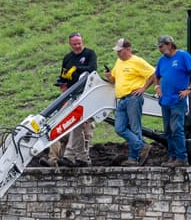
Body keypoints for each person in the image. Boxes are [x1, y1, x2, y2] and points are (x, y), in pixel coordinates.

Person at [48, 32, 98, 167]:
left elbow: (92, 69)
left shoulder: (89, 54)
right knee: (71, 127)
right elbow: (63, 75)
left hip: (86, 94)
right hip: (72, 97)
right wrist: (64, 82)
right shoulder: (67, 58)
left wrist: (77, 68)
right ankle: (71, 157)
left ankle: (77, 156)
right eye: (74, 44)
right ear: (70, 44)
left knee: (84, 128)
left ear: (83, 42)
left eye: (79, 43)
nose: (77, 46)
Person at [152, 35, 191, 167]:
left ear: (169, 45)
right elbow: (156, 75)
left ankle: (182, 158)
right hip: (165, 100)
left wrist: (189, 88)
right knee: (168, 130)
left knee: (176, 128)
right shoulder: (162, 60)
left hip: (178, 99)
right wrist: (157, 87)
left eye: (161, 46)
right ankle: (173, 156)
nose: (160, 49)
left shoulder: (183, 56)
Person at [106, 38, 155, 165]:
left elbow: (153, 73)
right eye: (117, 51)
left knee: (134, 128)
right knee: (119, 128)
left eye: (120, 51)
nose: (118, 53)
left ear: (128, 49)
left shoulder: (137, 61)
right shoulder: (119, 62)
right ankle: (142, 147)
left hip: (133, 97)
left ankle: (134, 158)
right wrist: (109, 76)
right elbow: (114, 80)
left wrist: (143, 88)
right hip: (121, 99)